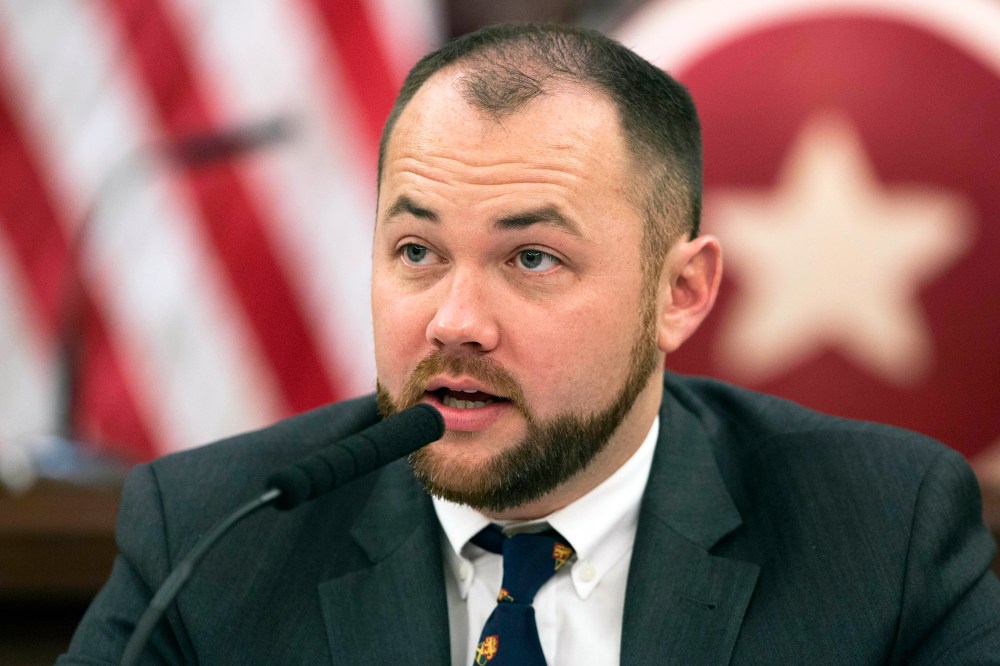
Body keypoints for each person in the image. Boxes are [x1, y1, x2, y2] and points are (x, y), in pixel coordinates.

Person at [59, 23, 1000, 665]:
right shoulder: (217, 537)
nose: (455, 320)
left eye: (534, 257)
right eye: (417, 251)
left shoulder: (882, 532)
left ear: (681, 293)